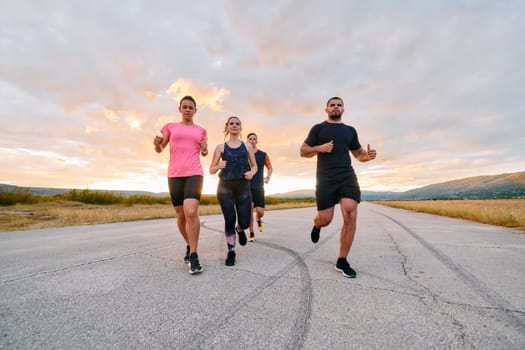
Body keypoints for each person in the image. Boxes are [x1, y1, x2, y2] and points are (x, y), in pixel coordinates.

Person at [299, 96, 376, 278]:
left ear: (343, 109)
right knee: (325, 219)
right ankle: (317, 225)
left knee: (350, 213)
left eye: (339, 105)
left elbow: (358, 154)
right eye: (332, 105)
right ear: (326, 109)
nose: (335, 107)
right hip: (325, 178)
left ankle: (342, 260)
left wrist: (368, 156)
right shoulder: (318, 129)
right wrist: (319, 148)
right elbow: (303, 151)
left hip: (346, 176)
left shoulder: (350, 131)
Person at [153, 95, 208, 275]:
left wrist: (205, 149)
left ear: (195, 110)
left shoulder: (201, 130)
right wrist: (156, 145)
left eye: (191, 107)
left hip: (194, 173)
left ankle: (193, 255)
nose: (187, 109)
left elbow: (204, 152)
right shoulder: (170, 127)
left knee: (190, 211)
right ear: (179, 109)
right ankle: (189, 244)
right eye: (184, 106)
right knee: (180, 215)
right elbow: (160, 148)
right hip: (175, 174)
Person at [210, 116, 257, 267]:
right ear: (227, 127)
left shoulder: (248, 147)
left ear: (241, 127)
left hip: (243, 186)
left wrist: (252, 173)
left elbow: (255, 166)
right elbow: (211, 169)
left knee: (244, 222)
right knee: (229, 219)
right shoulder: (220, 148)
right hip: (225, 186)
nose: (234, 125)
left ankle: (239, 229)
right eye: (232, 123)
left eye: (237, 124)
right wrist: (218, 166)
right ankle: (231, 251)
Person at [246, 132, 273, 241]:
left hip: (259, 187)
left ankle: (258, 218)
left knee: (260, 212)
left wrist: (268, 177)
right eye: (250, 139)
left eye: (254, 139)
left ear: (256, 141)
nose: (252, 140)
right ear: (247, 141)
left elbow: (270, 167)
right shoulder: (244, 154)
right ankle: (251, 233)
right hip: (247, 187)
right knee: (250, 209)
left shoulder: (263, 154)